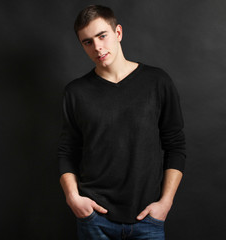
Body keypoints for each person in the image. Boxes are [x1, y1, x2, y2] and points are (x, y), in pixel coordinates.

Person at [57, 5, 186, 240]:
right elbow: (67, 151)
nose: (97, 47)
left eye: (102, 36)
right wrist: (72, 197)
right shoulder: (75, 92)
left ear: (118, 33)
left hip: (148, 219)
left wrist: (165, 203)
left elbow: (175, 146)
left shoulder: (157, 82)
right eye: (87, 42)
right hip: (94, 221)